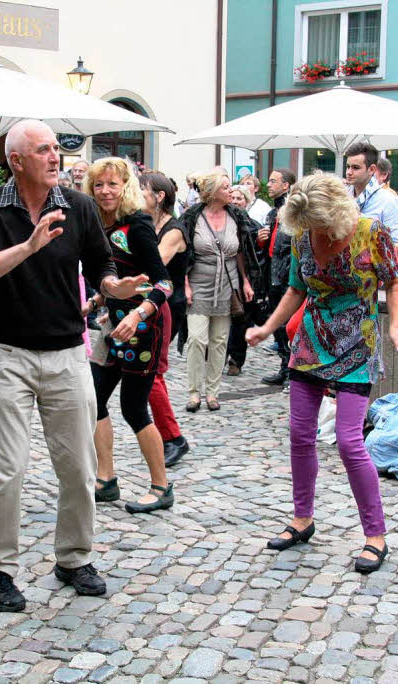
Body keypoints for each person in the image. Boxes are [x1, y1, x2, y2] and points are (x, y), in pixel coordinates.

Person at [0, 119, 145, 613]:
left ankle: (74, 557)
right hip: (10, 354)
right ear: (16, 161)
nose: (54, 156)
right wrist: (28, 246)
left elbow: (100, 261)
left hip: (65, 354)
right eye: (43, 150)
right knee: (6, 469)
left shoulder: (77, 206)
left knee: (79, 467)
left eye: (56, 148)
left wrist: (111, 287)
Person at [245, 172, 398, 574]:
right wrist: (267, 328)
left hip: (358, 341)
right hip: (312, 340)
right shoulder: (303, 236)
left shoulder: (372, 232)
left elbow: (395, 284)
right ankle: (303, 519)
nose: (311, 230)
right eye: (304, 224)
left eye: (317, 222)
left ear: (336, 211)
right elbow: (296, 290)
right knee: (300, 435)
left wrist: (394, 327)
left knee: (349, 441)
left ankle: (375, 535)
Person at [84, 158, 175, 514]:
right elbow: (111, 277)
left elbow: (163, 283)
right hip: (113, 325)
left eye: (112, 184)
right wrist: (96, 300)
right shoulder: (96, 222)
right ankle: (106, 480)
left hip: (144, 326)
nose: (105, 191)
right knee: (92, 400)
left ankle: (161, 486)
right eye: (98, 185)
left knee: (133, 407)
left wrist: (138, 314)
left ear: (126, 186)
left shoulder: (136, 223)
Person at [181, 170, 256, 411]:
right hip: (199, 283)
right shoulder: (192, 216)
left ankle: (213, 393)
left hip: (227, 284)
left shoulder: (236, 215)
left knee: (220, 340)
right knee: (196, 338)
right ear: (212, 192)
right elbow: (182, 252)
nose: (231, 191)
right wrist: (185, 285)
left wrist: (245, 281)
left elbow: (242, 250)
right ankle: (194, 393)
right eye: (226, 187)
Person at [139, 172, 189, 467]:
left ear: (159, 197)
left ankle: (173, 438)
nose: (136, 194)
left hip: (167, 307)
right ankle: (163, 434)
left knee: (153, 373)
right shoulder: (148, 224)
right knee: (147, 372)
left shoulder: (173, 231)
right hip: (149, 305)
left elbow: (151, 266)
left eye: (142, 190)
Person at [225, 185, 269, 377]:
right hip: (223, 278)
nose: (235, 201)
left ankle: (236, 359)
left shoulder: (253, 226)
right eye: (232, 197)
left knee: (240, 321)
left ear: (247, 202)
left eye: (239, 198)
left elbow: (260, 257)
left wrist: (259, 242)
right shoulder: (221, 222)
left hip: (244, 281)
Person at [258, 167, 296, 388]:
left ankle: (293, 370)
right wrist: (260, 239)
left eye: (273, 181)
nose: (269, 185)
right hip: (272, 273)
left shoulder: (293, 210)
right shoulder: (273, 213)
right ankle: (284, 366)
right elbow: (271, 245)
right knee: (277, 323)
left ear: (286, 185)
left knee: (288, 324)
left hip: (287, 275)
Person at [344, 142, 398, 258]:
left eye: (355, 168)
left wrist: (367, 241)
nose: (349, 172)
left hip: (372, 273)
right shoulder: (341, 195)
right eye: (348, 166)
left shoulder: (388, 200)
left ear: (372, 169)